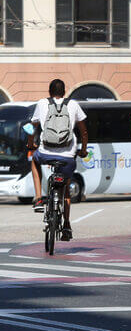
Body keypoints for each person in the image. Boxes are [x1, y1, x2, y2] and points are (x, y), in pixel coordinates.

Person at [25, 79, 88, 241]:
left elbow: (33, 126)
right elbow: (84, 131)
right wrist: (83, 149)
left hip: (46, 152)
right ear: (64, 91)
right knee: (65, 190)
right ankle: (66, 225)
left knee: (34, 160)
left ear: (49, 92)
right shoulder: (73, 104)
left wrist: (31, 143)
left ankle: (39, 198)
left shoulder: (42, 103)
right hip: (68, 155)